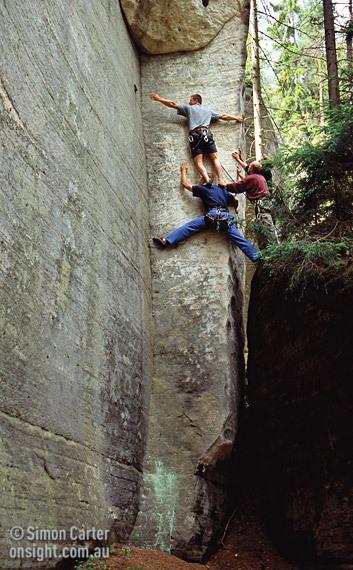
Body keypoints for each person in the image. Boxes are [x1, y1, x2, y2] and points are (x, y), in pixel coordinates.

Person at [152, 162, 261, 263]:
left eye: (201, 177)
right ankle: (256, 255)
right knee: (239, 239)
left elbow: (185, 184)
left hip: (211, 217)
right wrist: (236, 208)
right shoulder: (223, 190)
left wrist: (184, 170)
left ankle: (166, 241)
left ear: (205, 180)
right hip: (225, 218)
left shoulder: (204, 189)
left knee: (189, 227)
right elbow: (234, 201)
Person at [148, 92, 243, 186]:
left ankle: (206, 178)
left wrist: (159, 99)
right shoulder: (208, 111)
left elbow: (173, 104)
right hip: (206, 134)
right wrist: (236, 118)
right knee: (214, 158)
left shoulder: (189, 108)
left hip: (195, 135)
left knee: (198, 161)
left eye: (190, 100)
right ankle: (221, 180)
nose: (189, 102)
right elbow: (223, 116)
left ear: (196, 100)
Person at [226, 155, 279, 246]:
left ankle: (271, 250)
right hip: (264, 204)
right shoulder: (261, 176)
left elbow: (247, 174)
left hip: (263, 205)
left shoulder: (264, 172)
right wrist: (240, 174)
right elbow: (250, 181)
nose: (259, 161)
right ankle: (267, 252)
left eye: (261, 160)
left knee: (267, 230)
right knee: (263, 230)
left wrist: (238, 160)